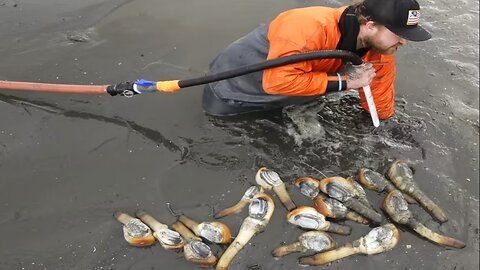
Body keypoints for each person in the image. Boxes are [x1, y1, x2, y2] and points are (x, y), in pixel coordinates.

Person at [202, 0, 431, 120]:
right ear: (370, 25)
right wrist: (346, 83)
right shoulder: (309, 27)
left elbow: (379, 90)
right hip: (233, 90)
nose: (403, 42)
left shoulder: (381, 47)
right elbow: (276, 81)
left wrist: (386, 124)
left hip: (290, 91)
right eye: (399, 34)